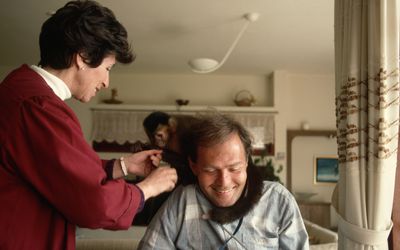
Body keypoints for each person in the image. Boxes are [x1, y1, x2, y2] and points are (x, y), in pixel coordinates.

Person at [0, 1, 177, 249]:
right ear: (83, 57)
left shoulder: (20, 91)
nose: (106, 82)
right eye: (108, 68)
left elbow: (56, 171)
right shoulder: (38, 106)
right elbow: (95, 204)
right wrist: (147, 188)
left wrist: (123, 166)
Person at [139, 113, 309, 249]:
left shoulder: (278, 200)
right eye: (211, 170)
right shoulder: (182, 200)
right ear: (194, 165)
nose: (224, 181)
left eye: (234, 168)